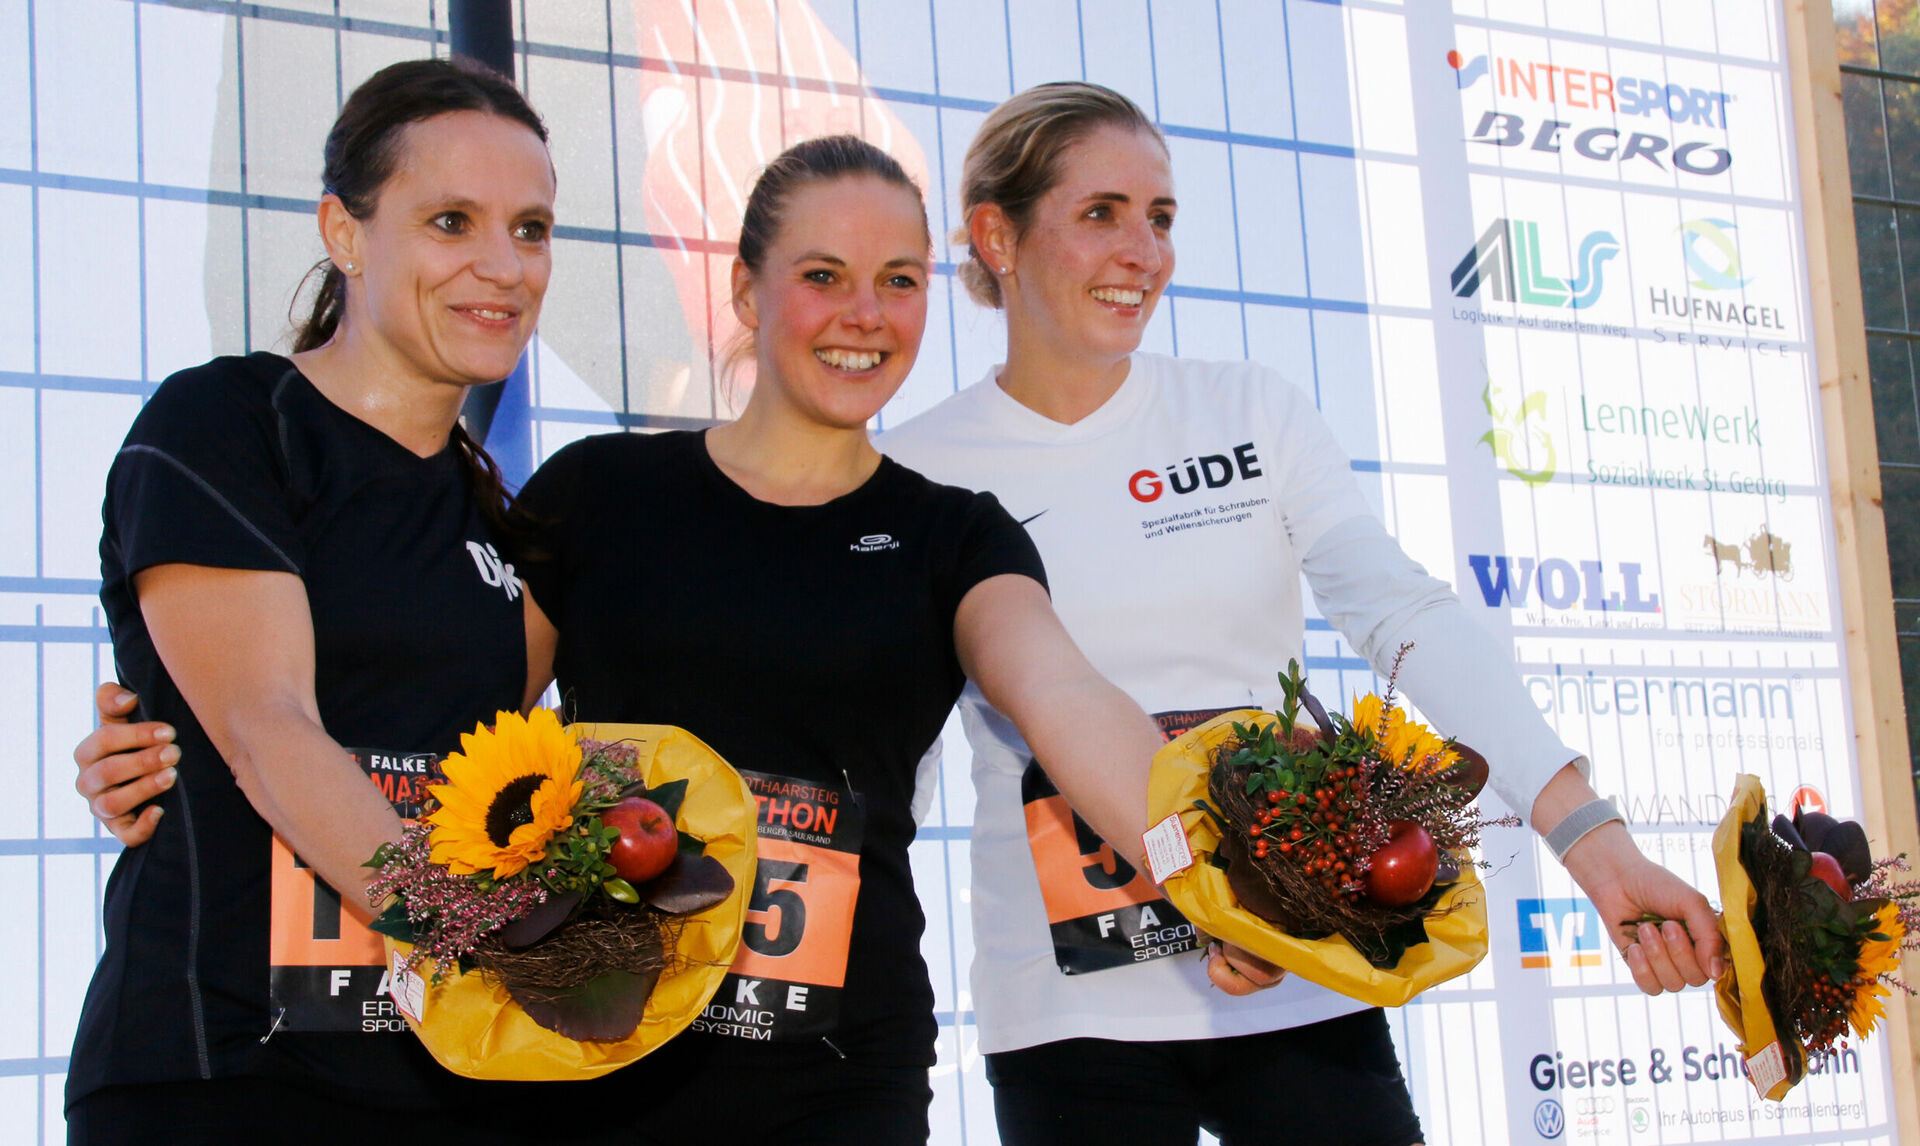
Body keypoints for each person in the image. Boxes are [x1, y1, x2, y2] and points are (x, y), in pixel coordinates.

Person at [78, 133, 1191, 1145]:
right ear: (748, 294)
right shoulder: (596, 495)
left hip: (838, 1079)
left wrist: (1210, 874)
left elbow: (1068, 700)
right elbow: (440, 719)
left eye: (899, 282)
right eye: (822, 277)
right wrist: (168, 742)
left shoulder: (954, 535)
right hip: (585, 1061)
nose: (865, 313)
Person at [874, 82, 1727, 1146]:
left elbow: (1404, 613)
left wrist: (1595, 845)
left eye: (1163, 216)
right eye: (1103, 213)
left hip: (1301, 971)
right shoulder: (916, 473)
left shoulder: (1248, 409)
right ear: (997, 236)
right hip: (1069, 1018)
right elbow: (883, 771)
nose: (1144, 249)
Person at [66, 57, 566, 1144]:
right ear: (345, 232)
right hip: (221, 1074)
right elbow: (268, 732)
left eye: (530, 229)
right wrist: (496, 943)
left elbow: (493, 771)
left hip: (443, 1083)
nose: (502, 266)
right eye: (450, 221)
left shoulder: (514, 531)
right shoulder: (227, 425)